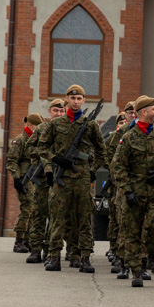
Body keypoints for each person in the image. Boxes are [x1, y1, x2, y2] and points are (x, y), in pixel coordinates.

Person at [37, 84, 106, 272]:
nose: (75, 102)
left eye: (79, 99)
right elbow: (41, 147)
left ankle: (83, 257)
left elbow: (102, 150)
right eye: (72, 98)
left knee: (83, 218)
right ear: (66, 99)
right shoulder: (55, 124)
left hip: (82, 178)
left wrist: (93, 170)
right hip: (62, 178)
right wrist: (55, 159)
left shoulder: (90, 125)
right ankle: (53, 256)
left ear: (83, 100)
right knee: (58, 217)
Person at [111, 95, 154, 287]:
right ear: (143, 112)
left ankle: (150, 258)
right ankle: (136, 270)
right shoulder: (128, 137)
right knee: (132, 232)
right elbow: (118, 166)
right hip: (134, 192)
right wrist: (127, 191)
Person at [24, 99, 66, 263]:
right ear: (49, 112)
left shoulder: (67, 130)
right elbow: (29, 148)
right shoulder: (42, 128)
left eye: (62, 111)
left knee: (56, 216)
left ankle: (51, 250)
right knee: (39, 214)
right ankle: (35, 250)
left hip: (61, 179)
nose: (59, 114)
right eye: (56, 111)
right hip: (42, 179)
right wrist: (43, 157)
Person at [104, 103, 136, 272]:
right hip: (120, 184)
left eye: (135, 112)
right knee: (119, 220)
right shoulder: (119, 135)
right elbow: (109, 155)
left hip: (142, 184)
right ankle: (119, 255)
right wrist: (115, 173)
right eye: (130, 113)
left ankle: (146, 260)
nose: (133, 115)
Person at [7, 112, 43, 253]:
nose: (38, 129)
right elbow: (11, 161)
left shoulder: (37, 139)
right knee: (27, 209)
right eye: (36, 126)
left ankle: (28, 240)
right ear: (30, 125)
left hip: (35, 177)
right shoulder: (20, 140)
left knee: (34, 210)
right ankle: (19, 240)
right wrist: (16, 179)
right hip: (24, 178)